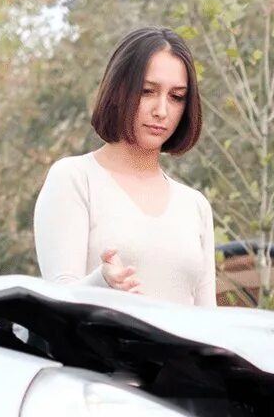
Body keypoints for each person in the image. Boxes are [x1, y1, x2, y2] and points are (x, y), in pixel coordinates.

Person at [34, 26, 217, 307]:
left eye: (176, 96)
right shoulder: (74, 178)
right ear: (119, 91)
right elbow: (58, 301)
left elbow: (209, 322)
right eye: (147, 91)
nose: (161, 110)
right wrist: (102, 282)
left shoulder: (195, 205)